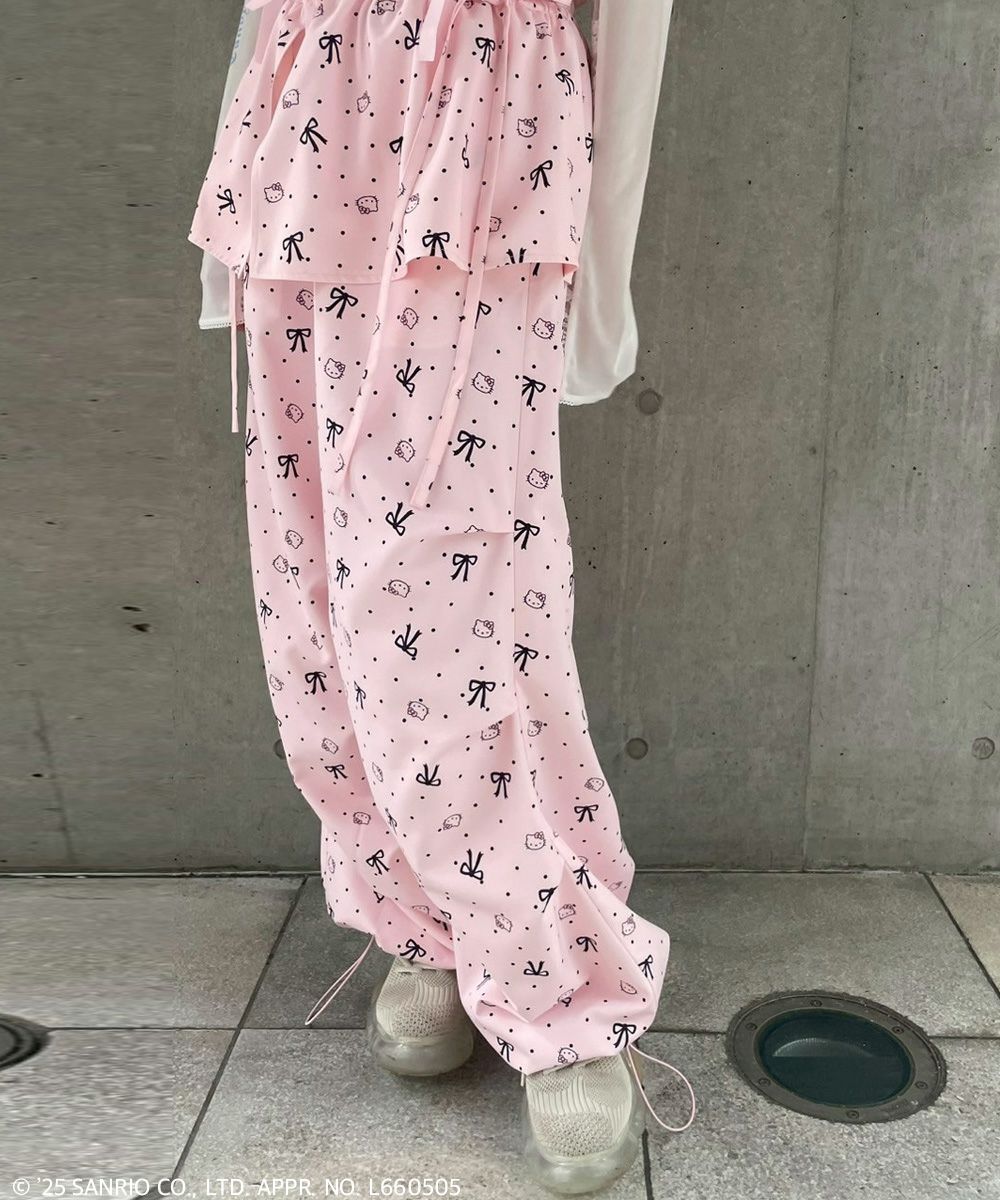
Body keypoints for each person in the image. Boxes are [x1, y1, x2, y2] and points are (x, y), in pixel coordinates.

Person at [187, 0, 693, 1191]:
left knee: (458, 612)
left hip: (485, 133)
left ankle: (558, 981)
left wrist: (599, 298)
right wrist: (234, 233)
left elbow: (634, 25)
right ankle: (425, 919)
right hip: (305, 129)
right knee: (308, 593)